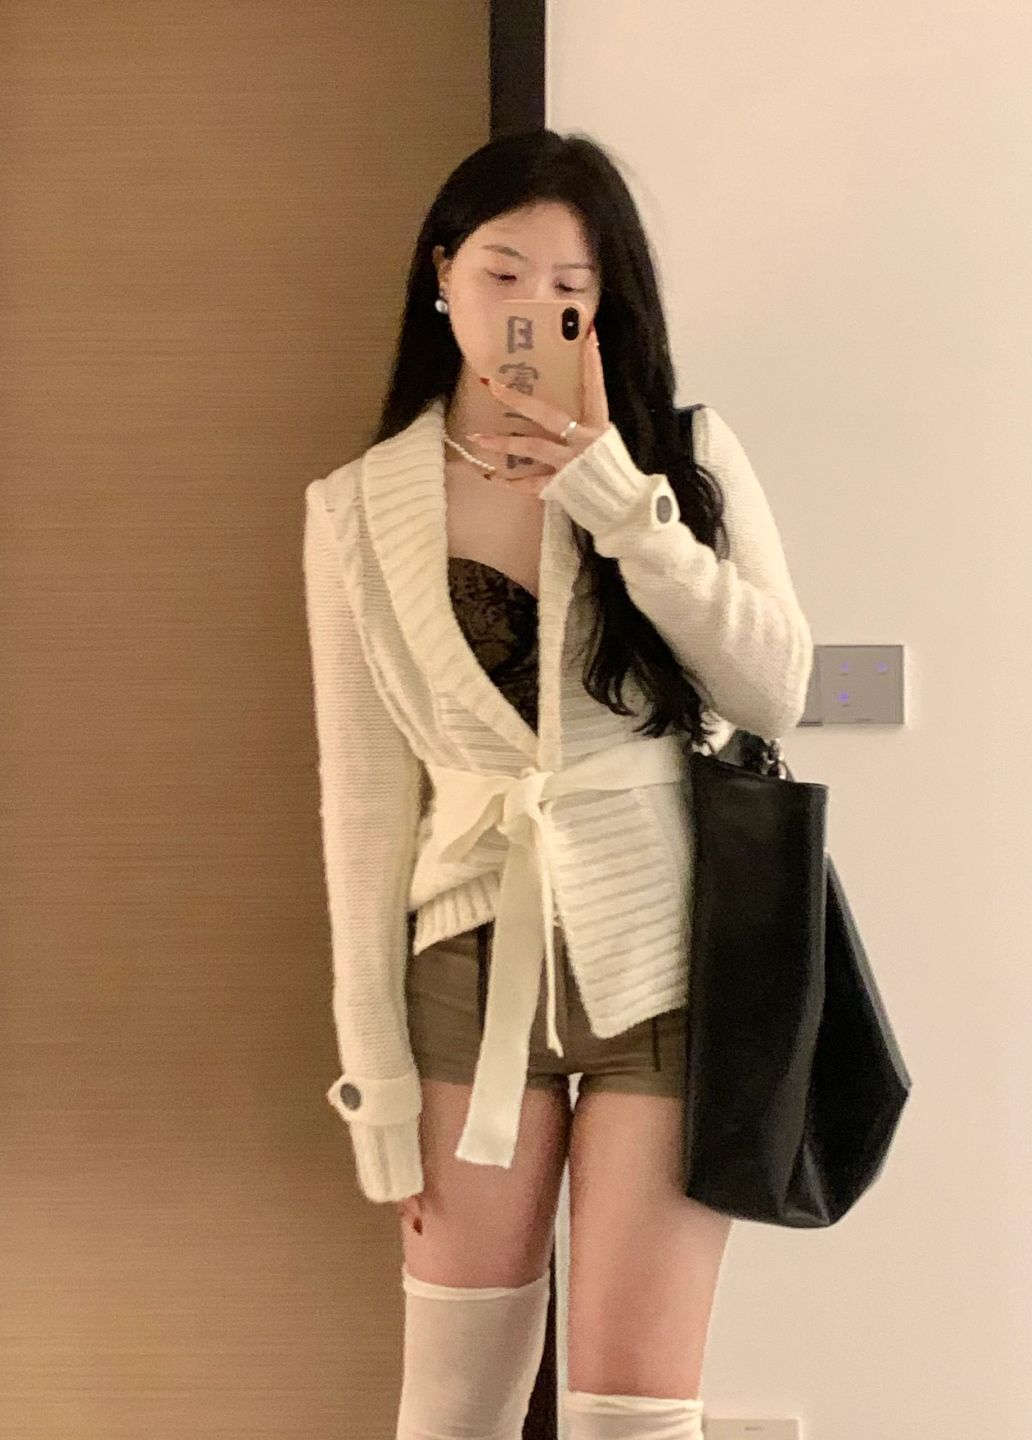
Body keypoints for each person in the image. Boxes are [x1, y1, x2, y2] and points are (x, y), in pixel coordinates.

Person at [302, 128, 814, 1440]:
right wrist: (374, 1079)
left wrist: (620, 501)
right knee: (455, 1406)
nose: (532, 307)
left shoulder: (681, 456)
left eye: (568, 287)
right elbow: (364, 806)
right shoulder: (355, 509)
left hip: (666, 958)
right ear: (442, 276)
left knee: (632, 1414)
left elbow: (774, 689)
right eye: (502, 274)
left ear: (605, 304)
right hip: (465, 963)